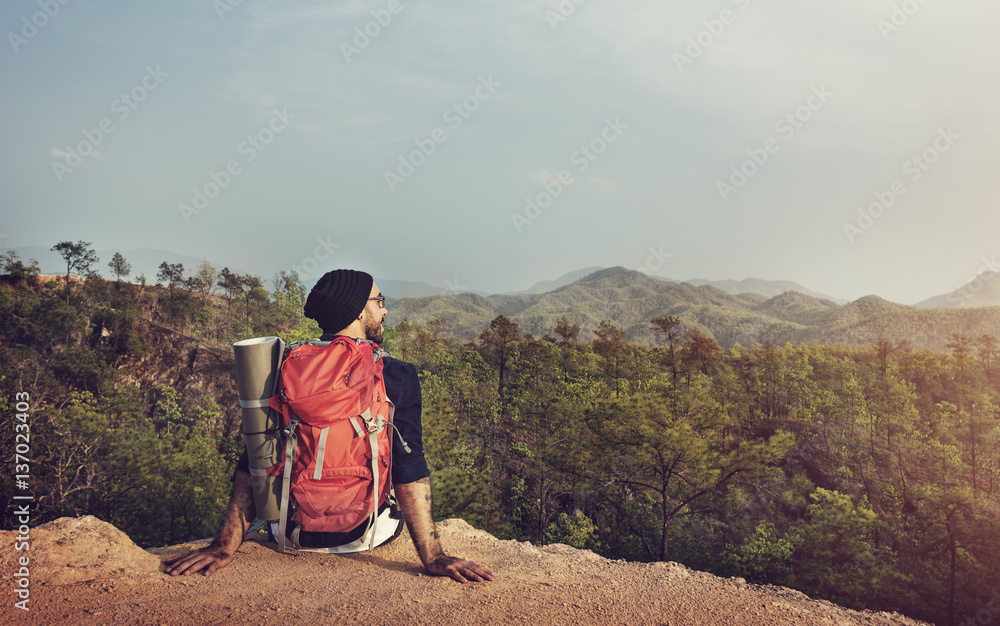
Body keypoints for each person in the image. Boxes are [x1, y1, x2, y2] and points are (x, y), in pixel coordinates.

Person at [165, 269, 494, 584]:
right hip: (366, 537)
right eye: (379, 302)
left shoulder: (282, 368)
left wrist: (224, 544)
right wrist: (433, 556)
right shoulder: (395, 373)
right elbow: (409, 467)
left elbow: (255, 455)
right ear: (357, 312)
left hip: (291, 534)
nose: (386, 311)